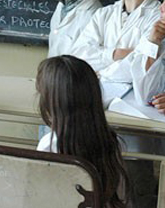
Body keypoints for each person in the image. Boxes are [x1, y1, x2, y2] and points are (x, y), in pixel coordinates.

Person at [36, 55, 129, 208]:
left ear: (49, 105)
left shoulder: (49, 145)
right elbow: (122, 194)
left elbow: (38, 195)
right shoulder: (113, 142)